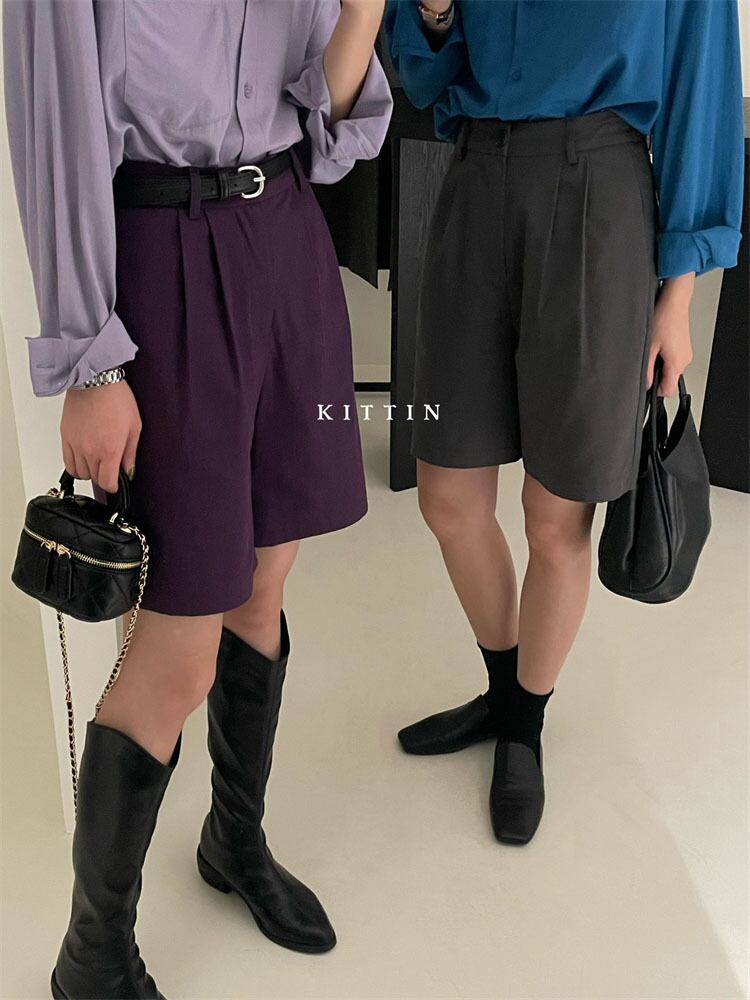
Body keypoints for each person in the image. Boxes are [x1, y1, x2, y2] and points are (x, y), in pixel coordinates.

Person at [4, 1, 392, 996]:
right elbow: (53, 129)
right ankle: (92, 956)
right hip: (160, 258)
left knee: (264, 585)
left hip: (288, 244)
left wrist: (366, 10)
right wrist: (90, 361)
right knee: (180, 644)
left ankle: (235, 836)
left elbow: (331, 131)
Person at [386, 0, 743, 844]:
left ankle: (524, 721)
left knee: (555, 515)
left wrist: (678, 297)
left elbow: (700, 85)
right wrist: (433, 12)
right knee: (447, 496)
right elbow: (426, 77)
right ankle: (502, 683)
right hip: (474, 182)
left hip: (599, 192)